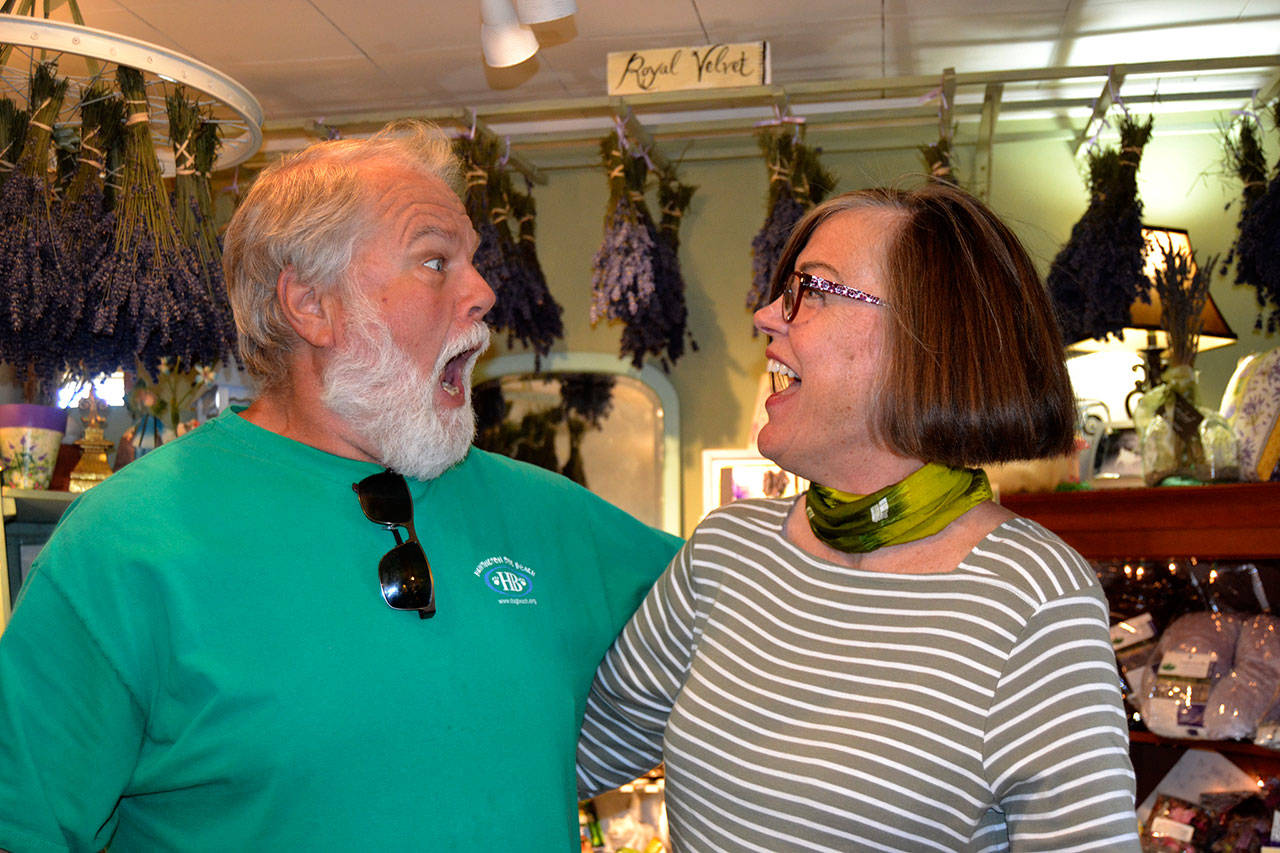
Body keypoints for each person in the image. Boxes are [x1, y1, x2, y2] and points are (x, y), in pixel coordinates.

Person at [0, 120, 681, 852]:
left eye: (472, 262)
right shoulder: (125, 547)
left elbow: (748, 610)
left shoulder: (551, 519)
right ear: (312, 305)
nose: (483, 291)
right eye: (434, 261)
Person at [578, 184, 1141, 851]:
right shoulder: (726, 553)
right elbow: (570, 756)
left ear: (924, 336)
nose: (764, 315)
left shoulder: (1033, 599)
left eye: (812, 290)